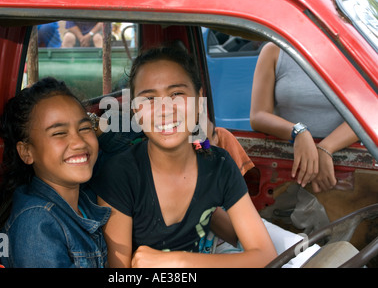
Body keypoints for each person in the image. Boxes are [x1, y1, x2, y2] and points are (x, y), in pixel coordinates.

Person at [90, 46, 276, 268]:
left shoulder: (219, 165)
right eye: (149, 98)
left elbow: (266, 256)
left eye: (177, 94)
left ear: (199, 99)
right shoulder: (120, 174)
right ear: (135, 110)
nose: (164, 109)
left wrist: (177, 262)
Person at [0, 77, 110, 268]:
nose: (79, 142)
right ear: (27, 152)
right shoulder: (37, 224)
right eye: (59, 133)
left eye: (85, 128)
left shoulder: (84, 200)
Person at [250, 42, 358, 193]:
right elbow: (258, 116)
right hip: (286, 170)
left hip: (345, 171)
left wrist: (326, 148)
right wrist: (299, 132)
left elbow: (370, 113)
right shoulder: (275, 50)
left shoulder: (356, 50)